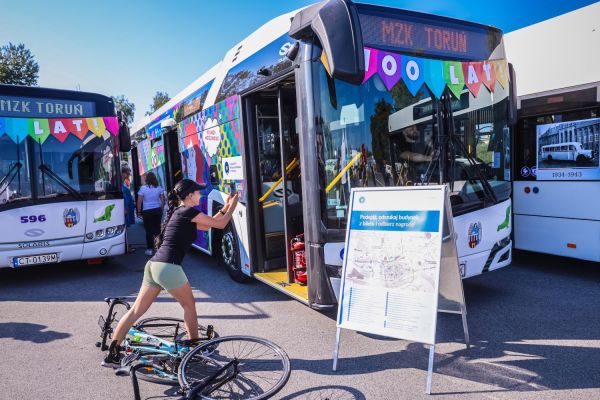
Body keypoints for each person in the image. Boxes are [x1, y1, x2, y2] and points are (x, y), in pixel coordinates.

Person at [102, 179, 239, 367]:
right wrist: (233, 206)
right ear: (190, 196)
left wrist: (225, 207)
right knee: (189, 306)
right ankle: (194, 349)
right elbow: (221, 224)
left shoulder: (180, 212)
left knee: (135, 311)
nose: (200, 194)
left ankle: (112, 354)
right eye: (198, 192)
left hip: (154, 266)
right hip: (168, 267)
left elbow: (209, 225)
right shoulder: (188, 212)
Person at [137, 172, 165, 256]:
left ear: (147, 179)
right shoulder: (159, 188)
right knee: (157, 230)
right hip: (157, 210)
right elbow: (163, 200)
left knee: (148, 231)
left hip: (147, 211)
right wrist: (161, 209)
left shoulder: (143, 188)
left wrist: (138, 211)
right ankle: (159, 248)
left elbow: (139, 201)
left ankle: (149, 249)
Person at [121, 165, 136, 253]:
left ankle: (126, 245)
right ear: (122, 173)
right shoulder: (119, 183)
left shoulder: (123, 182)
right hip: (125, 209)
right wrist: (124, 208)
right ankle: (126, 246)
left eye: (129, 173)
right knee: (124, 227)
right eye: (127, 173)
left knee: (126, 227)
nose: (128, 175)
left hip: (127, 208)